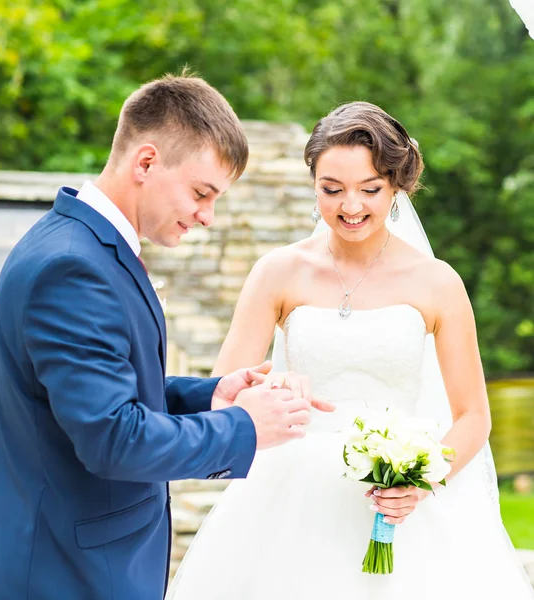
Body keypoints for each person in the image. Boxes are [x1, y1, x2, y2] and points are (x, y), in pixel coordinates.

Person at [0, 72, 335, 600]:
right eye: (202, 193)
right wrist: (243, 426)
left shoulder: (81, 246)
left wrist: (211, 395)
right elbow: (114, 438)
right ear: (146, 162)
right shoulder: (72, 268)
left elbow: (108, 389)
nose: (206, 216)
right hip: (63, 577)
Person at [166, 101, 534, 599]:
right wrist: (272, 388)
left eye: (370, 189)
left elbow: (473, 416)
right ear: (313, 182)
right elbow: (224, 386)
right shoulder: (277, 272)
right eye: (331, 189)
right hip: (288, 502)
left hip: (398, 506)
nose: (350, 206)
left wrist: (423, 480)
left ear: (397, 186)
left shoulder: (438, 283)